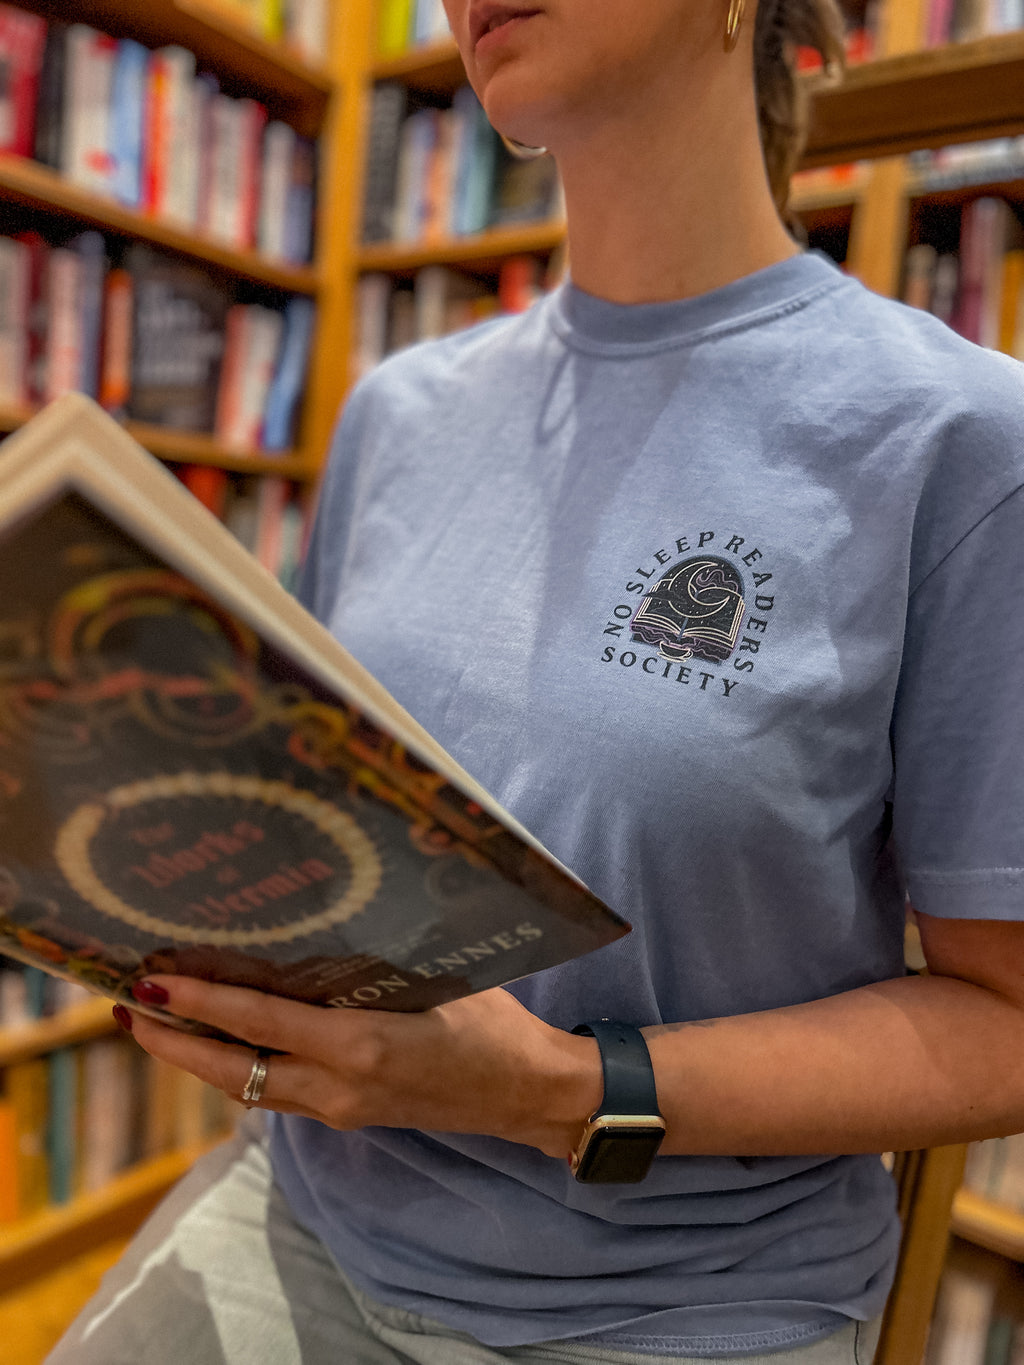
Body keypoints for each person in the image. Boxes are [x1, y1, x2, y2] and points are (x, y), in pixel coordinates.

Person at [50, 0, 1024, 1361]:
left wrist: (564, 1086)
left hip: (685, 1302)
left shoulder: (959, 443)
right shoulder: (398, 412)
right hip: (316, 1211)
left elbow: (1006, 1023)